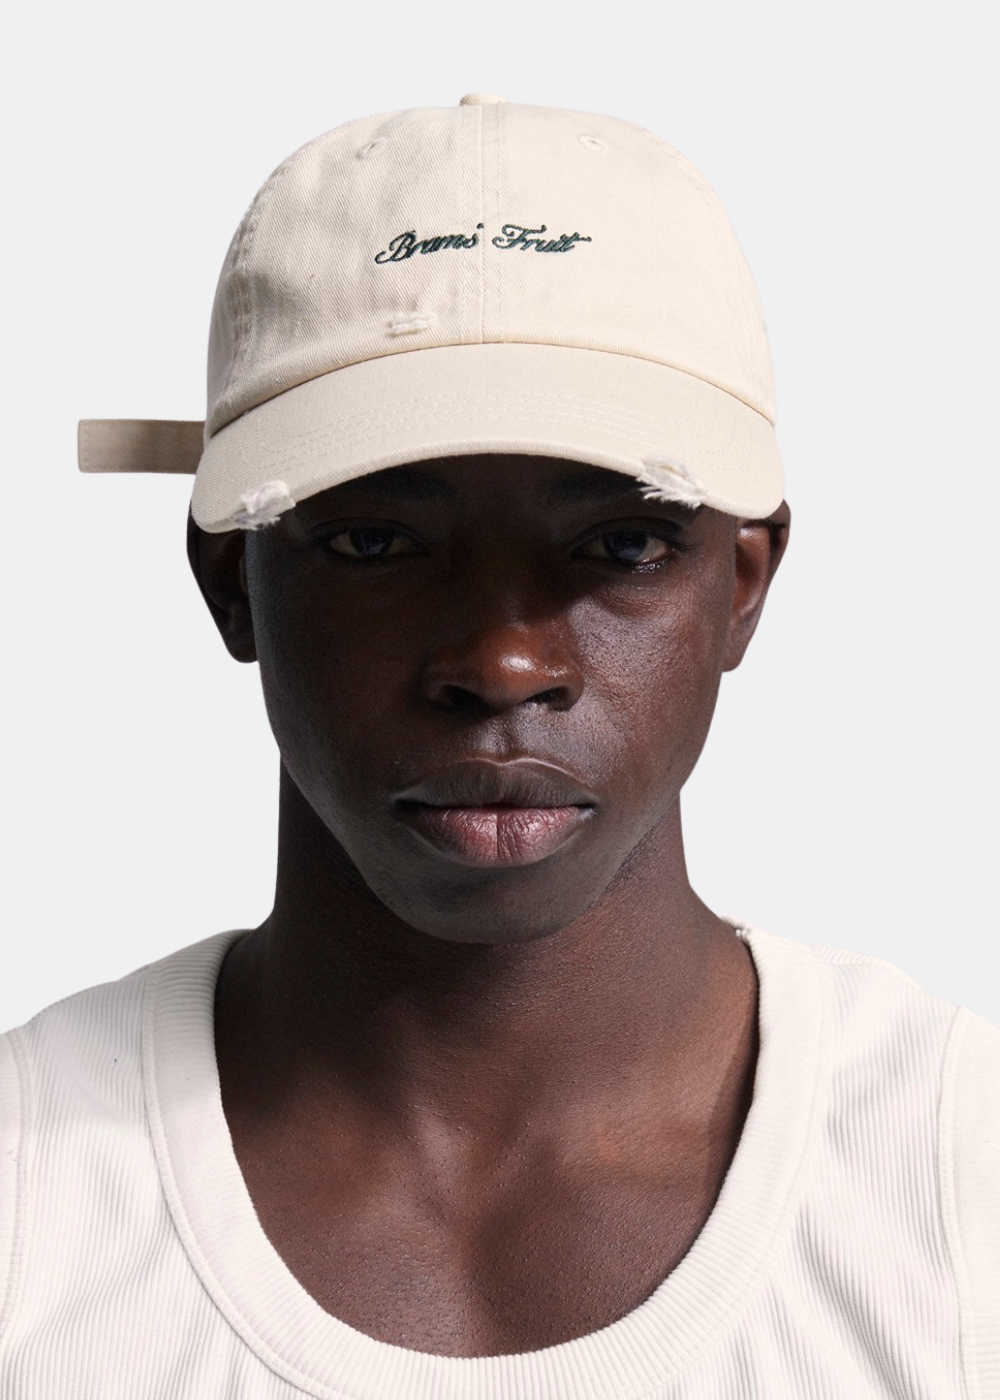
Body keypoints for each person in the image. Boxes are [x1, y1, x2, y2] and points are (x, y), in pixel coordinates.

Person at [1, 93, 996, 1399]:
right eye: (373, 541)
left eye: (623, 544)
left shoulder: (959, 1183)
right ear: (230, 581)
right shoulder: (30, 1195)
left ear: (745, 582)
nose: (504, 659)